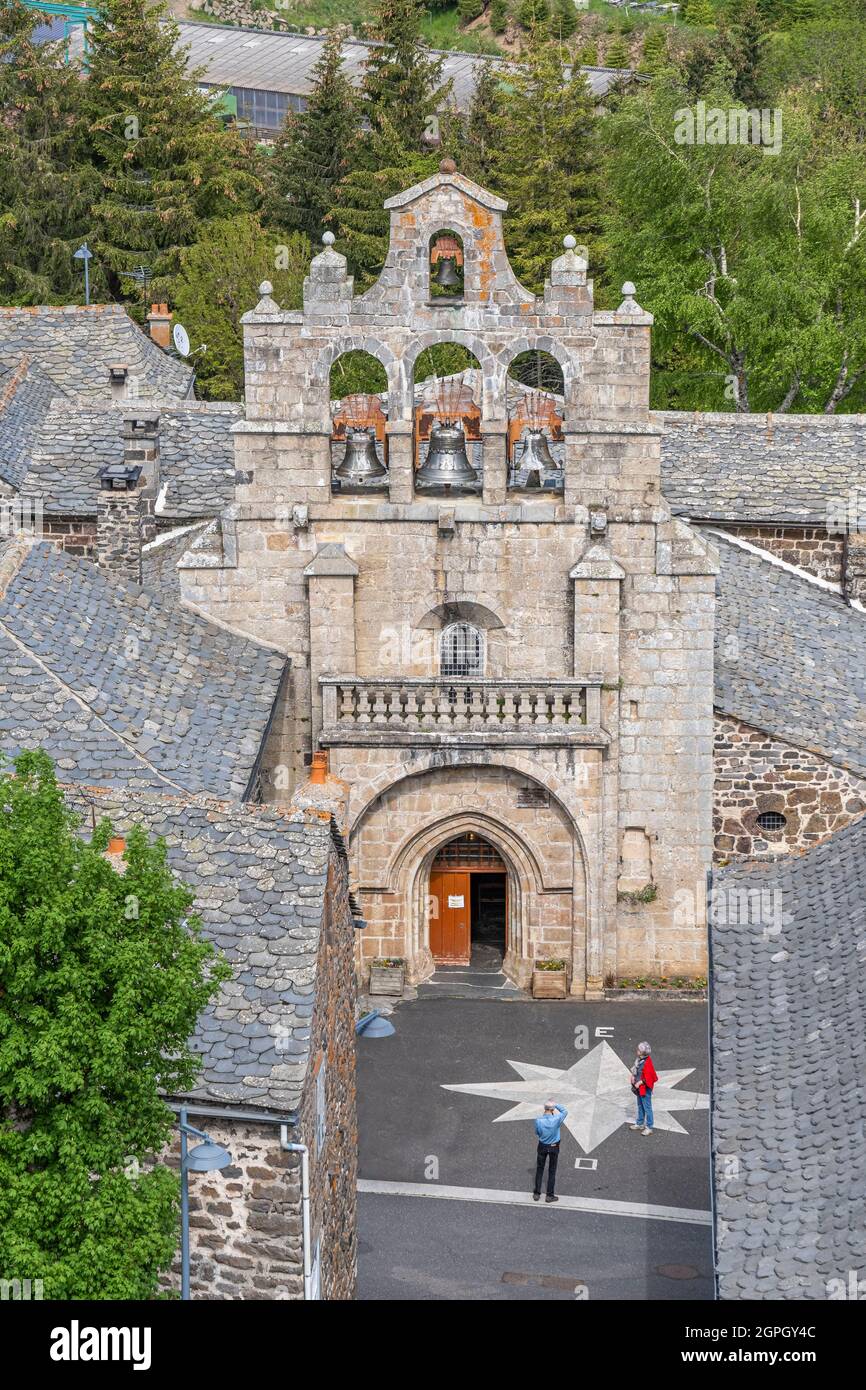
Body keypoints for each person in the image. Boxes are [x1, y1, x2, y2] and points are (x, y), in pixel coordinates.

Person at [533, 1100, 568, 1203]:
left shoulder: (538, 1120)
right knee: (552, 1170)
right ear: (552, 1109)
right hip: (554, 1147)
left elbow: (537, 1132)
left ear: (544, 1108)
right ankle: (549, 1195)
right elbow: (565, 1111)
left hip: (542, 1146)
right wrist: (556, 1104)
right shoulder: (557, 1119)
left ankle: (536, 1193)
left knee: (540, 1169)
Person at [630, 1041, 657, 1136]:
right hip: (639, 1088)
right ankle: (640, 1123)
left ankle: (649, 1127)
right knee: (640, 1106)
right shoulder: (640, 1059)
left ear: (643, 1053)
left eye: (638, 1050)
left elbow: (650, 1078)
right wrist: (633, 1076)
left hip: (644, 1089)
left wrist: (640, 1082)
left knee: (647, 1107)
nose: (637, 1050)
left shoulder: (647, 1063)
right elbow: (636, 1070)